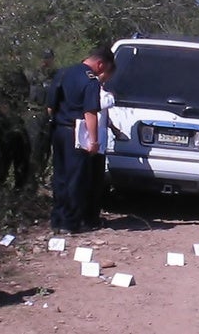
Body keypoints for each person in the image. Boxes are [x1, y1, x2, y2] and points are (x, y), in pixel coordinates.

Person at [47, 45, 115, 234]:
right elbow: (90, 112)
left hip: (59, 130)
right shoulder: (90, 80)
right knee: (76, 179)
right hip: (77, 133)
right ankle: (71, 223)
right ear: (100, 64)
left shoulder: (63, 73)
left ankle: (57, 220)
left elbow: (50, 105)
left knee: (60, 176)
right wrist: (93, 141)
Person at [84, 72, 126, 229]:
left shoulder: (99, 91)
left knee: (96, 182)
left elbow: (105, 117)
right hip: (92, 143)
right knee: (91, 182)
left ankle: (92, 216)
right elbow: (106, 102)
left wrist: (115, 130)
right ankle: (88, 217)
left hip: (100, 144)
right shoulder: (96, 92)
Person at [0, 63, 31, 190]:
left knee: (22, 155)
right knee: (3, 155)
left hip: (18, 124)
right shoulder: (0, 74)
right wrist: (9, 114)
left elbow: (25, 98)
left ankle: (19, 189)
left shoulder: (21, 75)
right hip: (2, 123)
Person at [26, 49, 57, 189]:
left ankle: (40, 176)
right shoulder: (31, 75)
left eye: (49, 58)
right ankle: (29, 178)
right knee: (33, 147)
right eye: (44, 58)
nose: (46, 61)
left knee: (45, 148)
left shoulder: (55, 76)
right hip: (34, 114)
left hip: (49, 115)